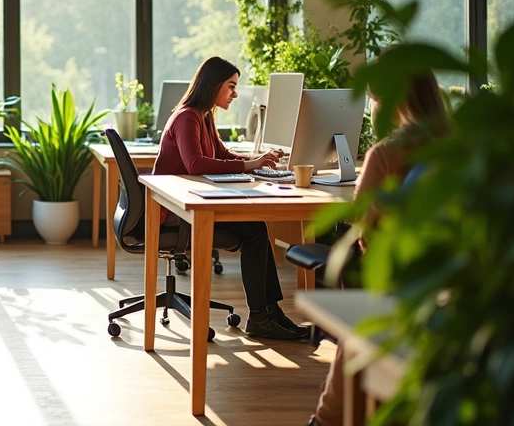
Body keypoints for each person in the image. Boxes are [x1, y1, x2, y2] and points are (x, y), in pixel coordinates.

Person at [309, 69, 449, 426]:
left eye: (375, 98)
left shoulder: (387, 153)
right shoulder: (462, 146)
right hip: (453, 284)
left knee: (360, 322)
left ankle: (326, 421)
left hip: (400, 287)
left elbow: (366, 232)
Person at [153, 56, 306, 341]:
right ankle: (262, 316)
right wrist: (250, 165)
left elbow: (222, 155)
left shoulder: (204, 115)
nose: (235, 94)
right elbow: (196, 164)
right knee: (255, 231)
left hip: (188, 207)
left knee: (256, 228)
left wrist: (257, 161)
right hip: (174, 213)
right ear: (213, 86)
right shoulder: (187, 117)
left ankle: (270, 313)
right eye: (231, 87)